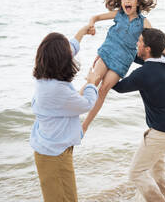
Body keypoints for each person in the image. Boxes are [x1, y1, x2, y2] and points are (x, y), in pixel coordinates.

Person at [82, 0, 165, 133]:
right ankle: (71, 108)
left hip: (122, 61)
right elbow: (96, 17)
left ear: (138, 2)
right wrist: (91, 25)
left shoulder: (143, 22)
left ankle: (85, 125)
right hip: (107, 52)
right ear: (121, 1)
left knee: (103, 89)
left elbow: (157, 42)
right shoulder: (118, 14)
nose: (127, 1)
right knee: (95, 79)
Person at [112, 28, 165, 202]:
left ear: (147, 49)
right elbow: (140, 58)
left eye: (140, 42)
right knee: (156, 168)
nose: (137, 43)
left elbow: (119, 87)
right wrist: (124, 51)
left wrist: (102, 71)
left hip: (161, 132)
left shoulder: (144, 74)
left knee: (135, 173)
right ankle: (164, 198)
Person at [30, 25, 99, 202]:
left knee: (66, 197)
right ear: (62, 61)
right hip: (54, 155)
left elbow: (70, 48)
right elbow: (87, 104)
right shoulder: (57, 90)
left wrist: (83, 31)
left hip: (52, 147)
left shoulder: (43, 76)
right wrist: (91, 83)